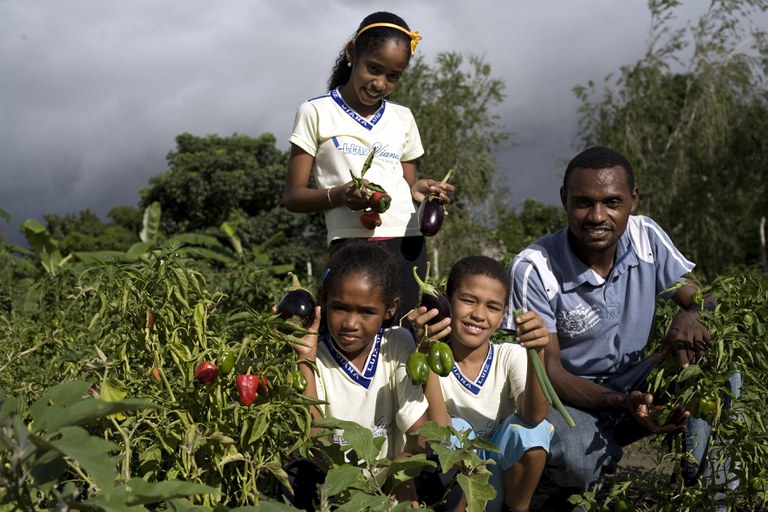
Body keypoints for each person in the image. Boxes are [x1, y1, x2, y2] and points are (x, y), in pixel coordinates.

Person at [504, 145, 736, 504]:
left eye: (612, 202)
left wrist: (689, 315)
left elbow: (703, 298)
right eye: (583, 202)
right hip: (570, 399)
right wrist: (620, 402)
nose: (598, 216)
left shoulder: (646, 238)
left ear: (633, 200)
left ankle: (712, 491)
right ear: (565, 199)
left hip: (636, 383)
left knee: (722, 362)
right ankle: (567, 478)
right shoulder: (534, 267)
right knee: (578, 457)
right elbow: (548, 371)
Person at [283, 11, 454, 321]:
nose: (380, 83)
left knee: (406, 337)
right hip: (351, 245)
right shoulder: (316, 112)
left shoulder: (403, 118)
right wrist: (338, 195)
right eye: (373, 69)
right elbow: (293, 197)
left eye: (393, 76)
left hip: (407, 245)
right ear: (352, 54)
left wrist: (424, 193)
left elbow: (407, 187)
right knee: (349, 338)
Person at [285, 241, 430, 509]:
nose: (351, 323)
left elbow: (420, 430)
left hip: (391, 485)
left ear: (390, 308)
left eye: (366, 312)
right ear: (324, 302)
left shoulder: (397, 344)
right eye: (340, 308)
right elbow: (316, 444)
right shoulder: (315, 357)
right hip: (333, 487)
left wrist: (403, 470)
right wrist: (303, 358)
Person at [409, 255, 554, 512]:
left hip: (502, 480)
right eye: (468, 300)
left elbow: (535, 414)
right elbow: (440, 433)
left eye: (493, 306)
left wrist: (537, 352)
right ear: (446, 300)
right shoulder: (425, 358)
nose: (478, 315)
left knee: (532, 430)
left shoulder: (509, 356)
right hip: (456, 482)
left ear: (503, 315)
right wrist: (428, 350)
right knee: (457, 428)